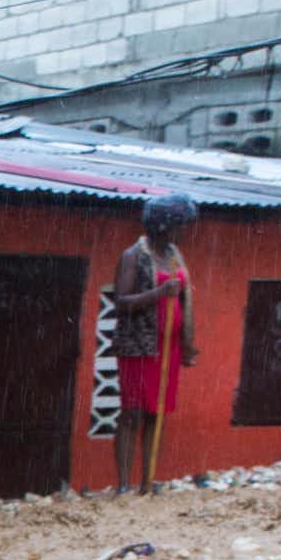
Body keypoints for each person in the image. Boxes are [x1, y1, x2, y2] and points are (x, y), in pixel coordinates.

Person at [112, 191, 200, 495]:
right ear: (164, 225)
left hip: (168, 348)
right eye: (181, 225)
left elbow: (186, 298)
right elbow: (121, 301)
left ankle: (147, 482)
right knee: (132, 413)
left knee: (156, 413)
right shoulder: (133, 256)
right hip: (139, 346)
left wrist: (188, 343)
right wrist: (159, 294)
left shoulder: (176, 255)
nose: (185, 231)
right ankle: (124, 485)